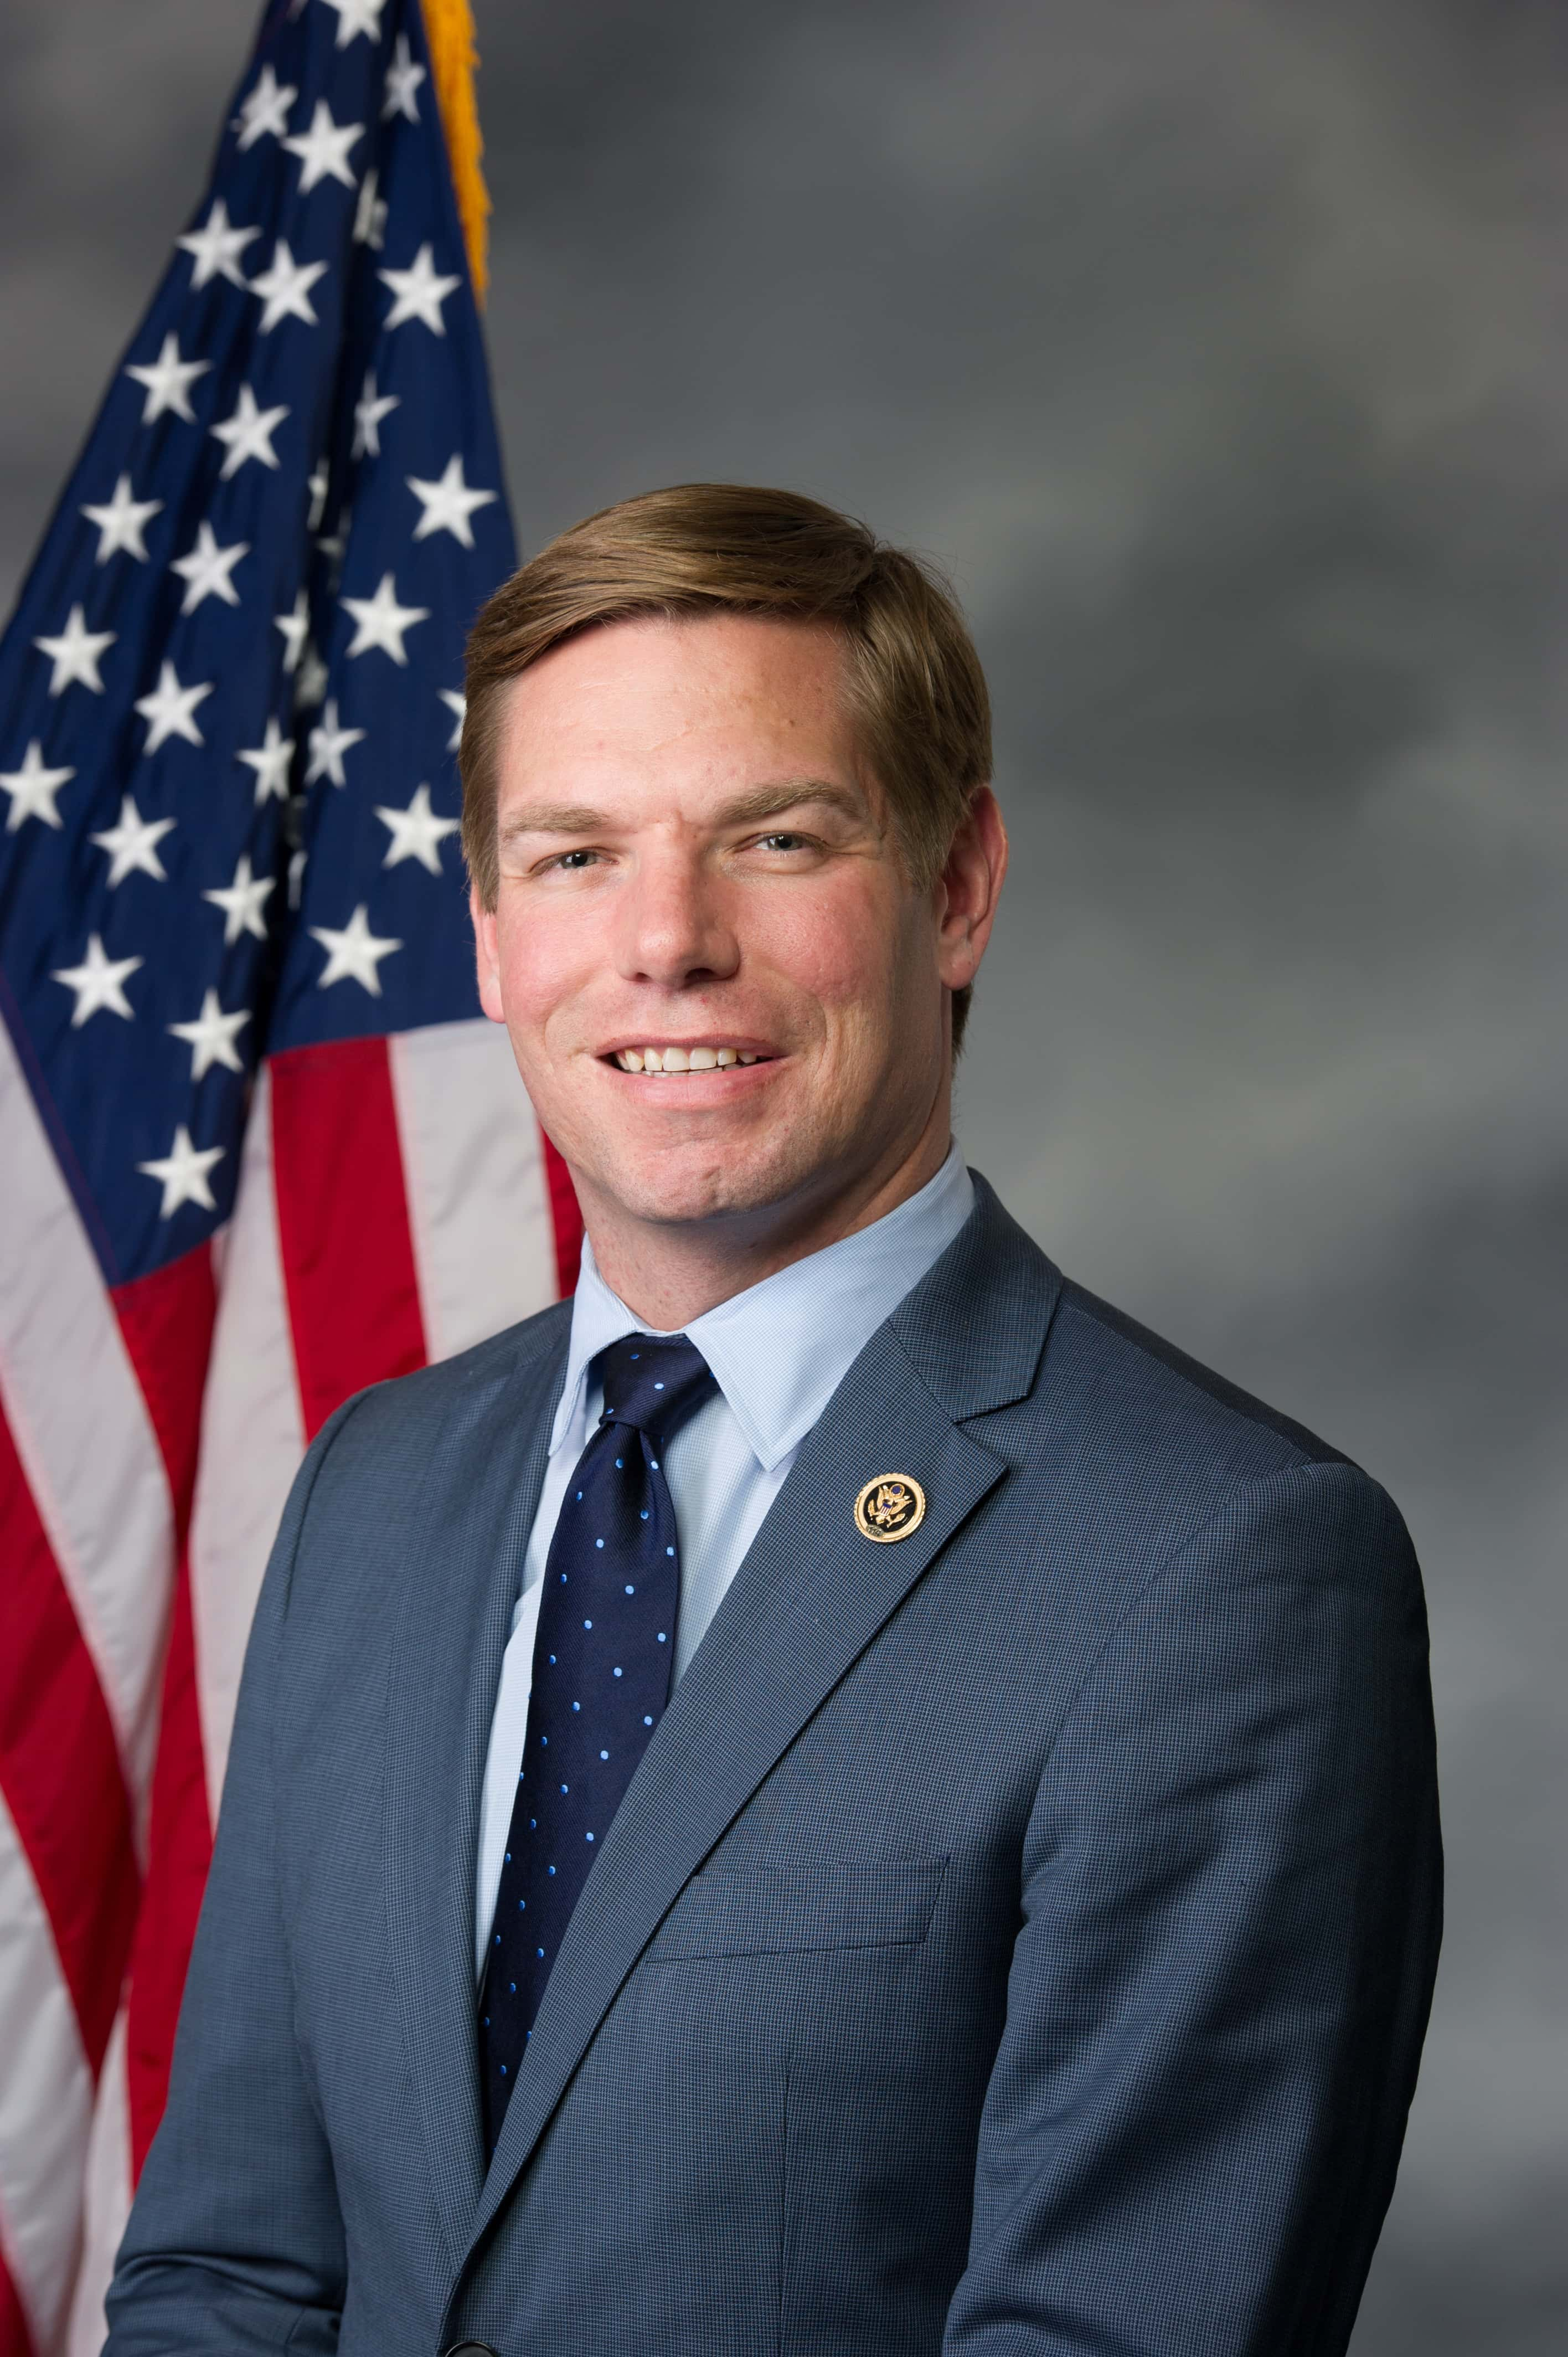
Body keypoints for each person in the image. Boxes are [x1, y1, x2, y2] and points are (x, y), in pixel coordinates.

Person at [106, 485, 1442, 2357]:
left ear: (957, 889)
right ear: (489, 934)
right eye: (574, 856)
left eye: (777, 837)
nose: (667, 943)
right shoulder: (376, 1489)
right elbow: (234, 2280)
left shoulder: (1222, 1561)